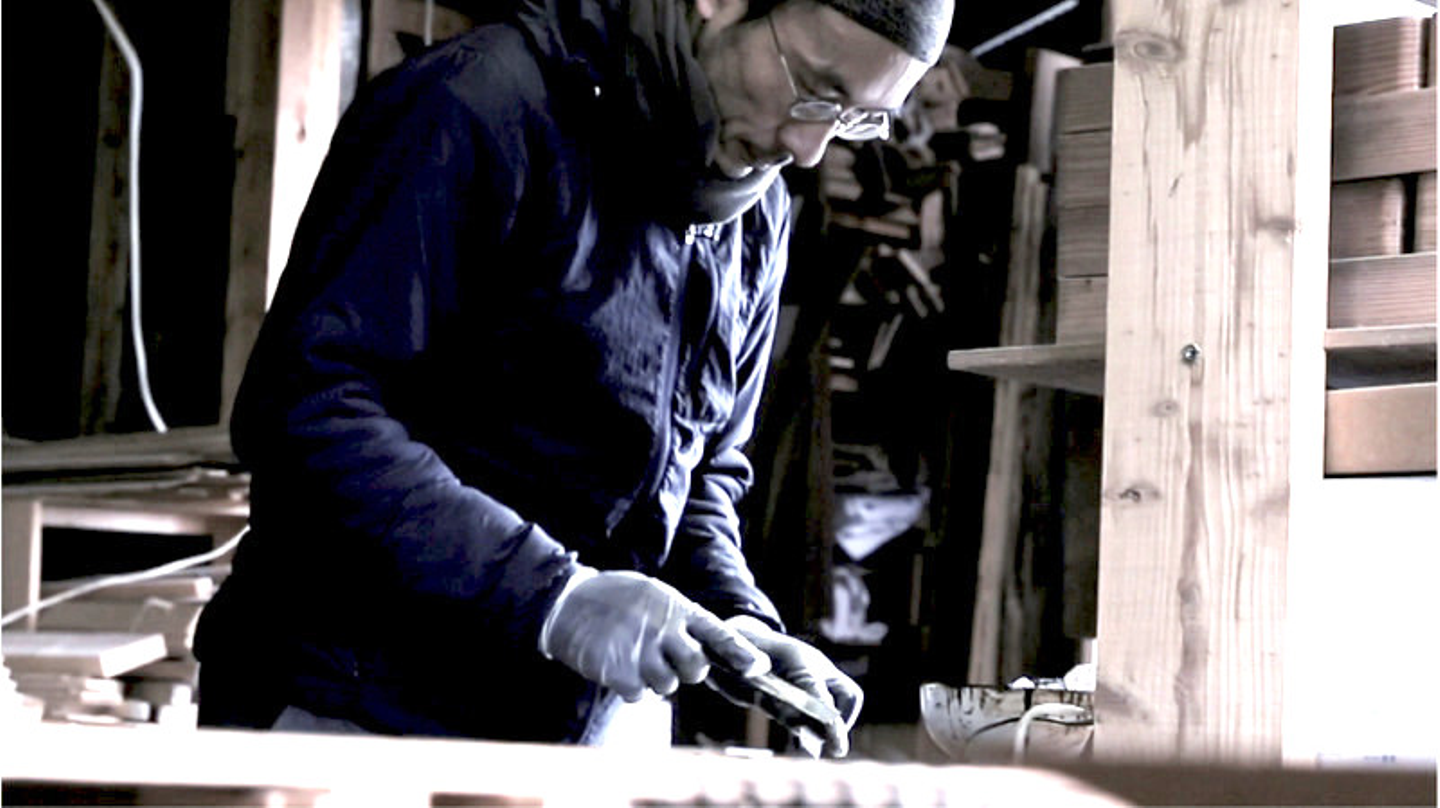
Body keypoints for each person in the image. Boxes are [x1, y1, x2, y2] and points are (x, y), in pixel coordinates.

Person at [194, 0, 952, 756]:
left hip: (574, 734)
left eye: (857, 118)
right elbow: (310, 410)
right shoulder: (477, 104)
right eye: (813, 90)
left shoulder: (756, 215)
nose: (809, 148)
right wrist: (554, 597)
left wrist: (735, 619)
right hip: (351, 707)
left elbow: (700, 473)